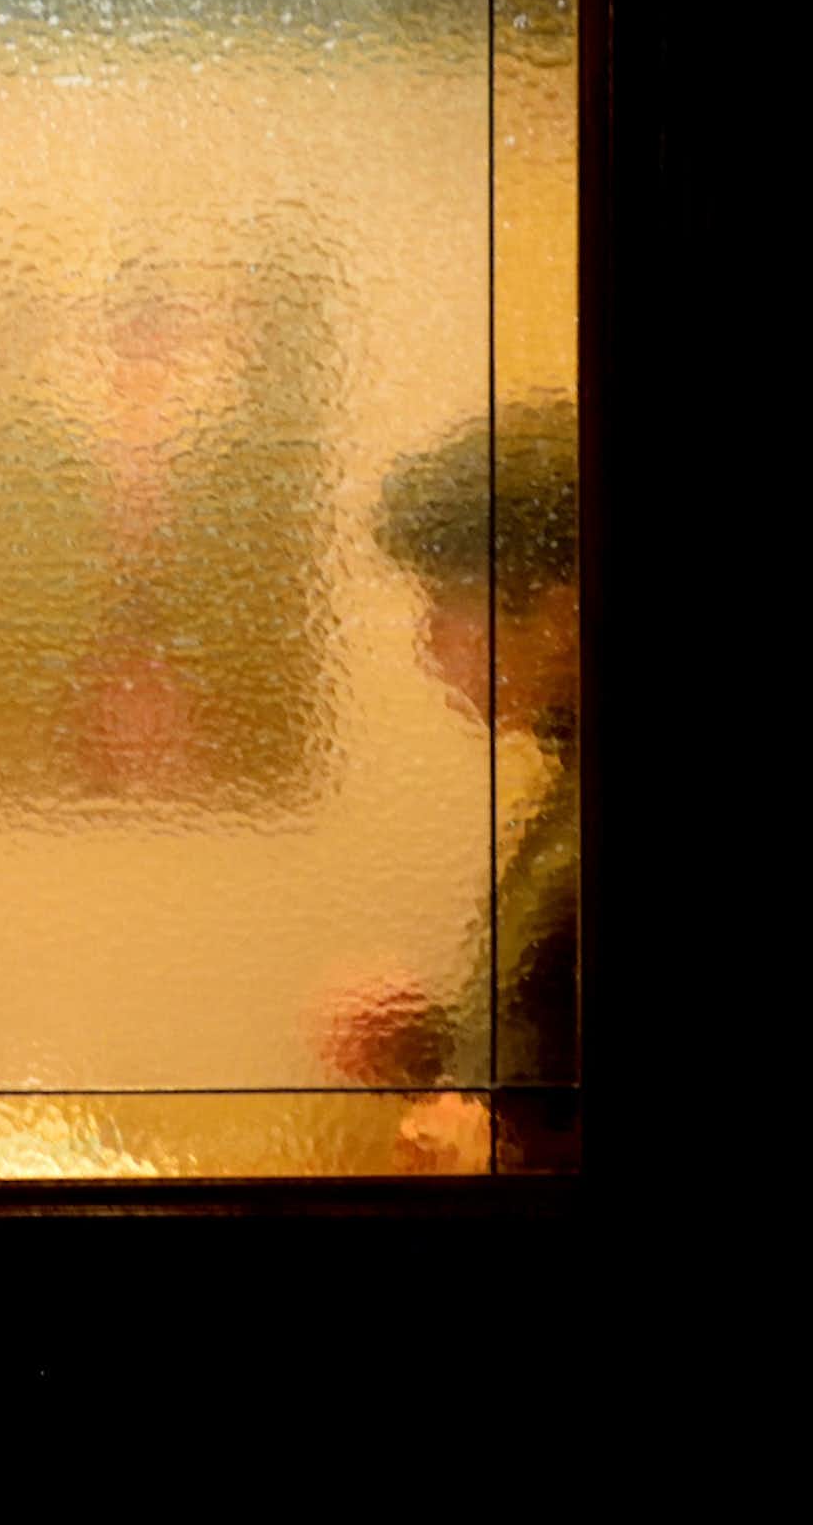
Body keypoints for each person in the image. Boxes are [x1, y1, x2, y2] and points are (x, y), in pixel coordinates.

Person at [318, 401, 579, 1156]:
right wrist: (425, 1051)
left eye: (444, 601)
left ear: (557, 613)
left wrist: (498, 1143)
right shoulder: (572, 789)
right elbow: (551, 1066)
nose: (428, 641)